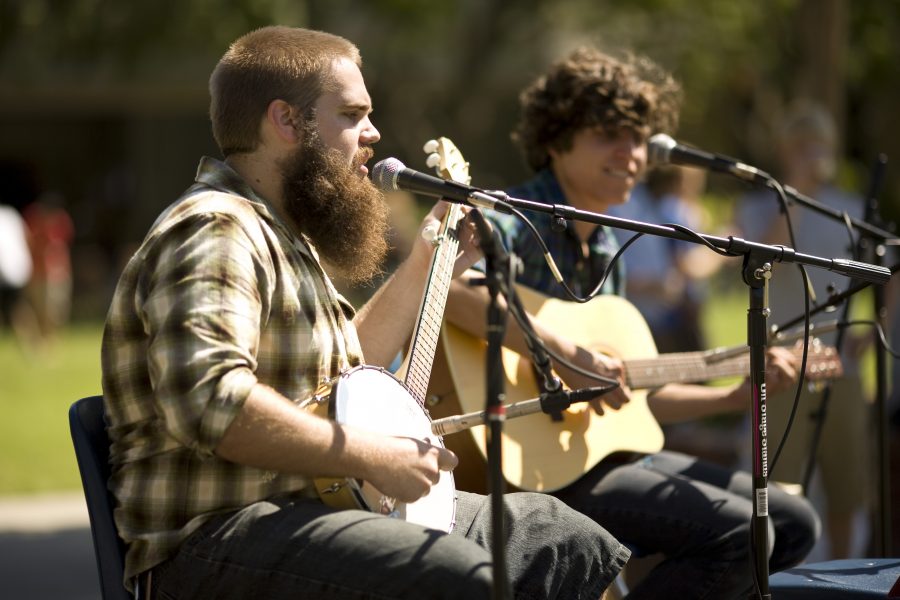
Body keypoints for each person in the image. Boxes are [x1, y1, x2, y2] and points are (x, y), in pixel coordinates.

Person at [100, 26, 629, 600]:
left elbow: (344, 379)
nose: (373, 134)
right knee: (454, 575)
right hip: (214, 542)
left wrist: (430, 260)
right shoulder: (217, 228)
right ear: (285, 121)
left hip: (311, 513)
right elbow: (210, 398)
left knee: (563, 538)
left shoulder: (283, 237)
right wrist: (372, 454)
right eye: (351, 115)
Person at [443, 46, 820, 599]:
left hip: (600, 456)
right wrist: (561, 355)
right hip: (529, 470)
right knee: (743, 533)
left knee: (789, 519)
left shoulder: (606, 249)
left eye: (639, 139)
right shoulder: (517, 218)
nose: (632, 154)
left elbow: (623, 400)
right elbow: (448, 289)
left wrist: (731, 396)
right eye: (609, 136)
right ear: (556, 139)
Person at [736, 101, 871, 559]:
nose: (811, 154)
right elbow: (759, 257)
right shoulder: (758, 209)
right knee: (774, 482)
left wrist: (877, 329)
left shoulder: (851, 210)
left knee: (845, 483)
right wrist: (791, 194)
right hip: (783, 362)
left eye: (818, 146)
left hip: (842, 367)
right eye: (800, 146)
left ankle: (845, 571)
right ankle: (773, 574)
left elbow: (887, 274)